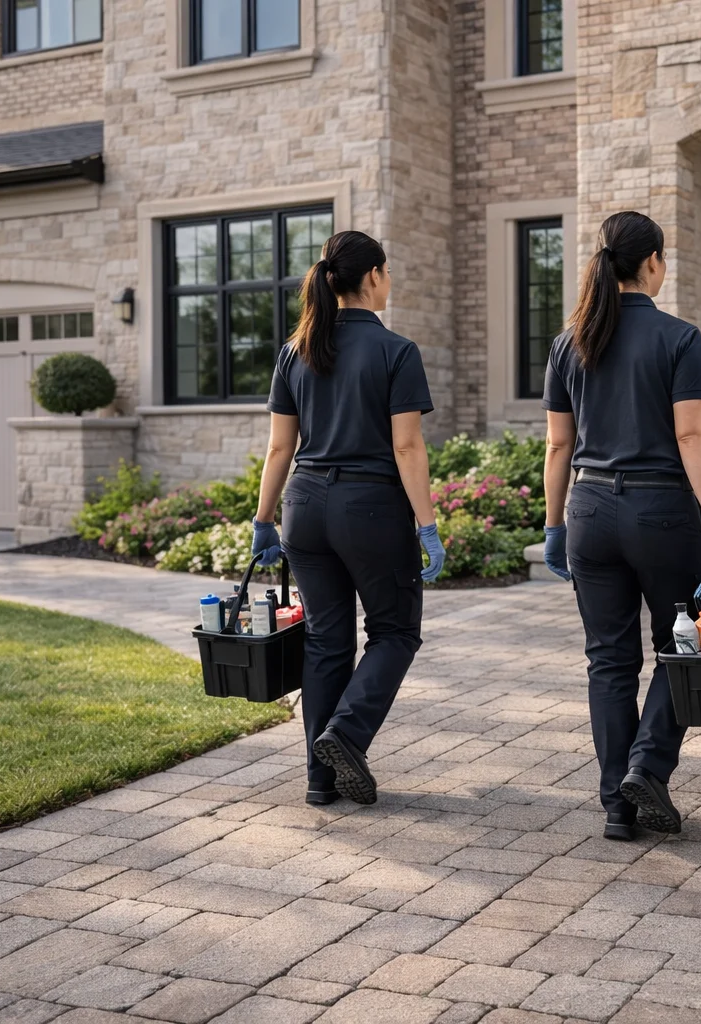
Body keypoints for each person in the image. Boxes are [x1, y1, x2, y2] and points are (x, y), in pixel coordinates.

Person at [541, 211, 701, 840]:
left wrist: (553, 526)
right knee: (683, 646)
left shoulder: (569, 341)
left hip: (591, 511)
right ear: (652, 262)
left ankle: (616, 806)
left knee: (608, 660)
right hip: (661, 514)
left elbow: (557, 445)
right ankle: (648, 767)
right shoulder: (678, 338)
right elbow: (690, 433)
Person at [249, 230, 447, 805]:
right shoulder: (396, 351)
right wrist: (428, 526)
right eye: (388, 273)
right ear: (374, 276)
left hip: (305, 506)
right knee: (394, 631)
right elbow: (407, 448)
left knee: (325, 642)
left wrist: (265, 520)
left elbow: (279, 449)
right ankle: (347, 734)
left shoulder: (296, 350)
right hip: (371, 509)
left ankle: (320, 780)